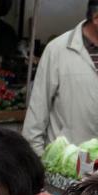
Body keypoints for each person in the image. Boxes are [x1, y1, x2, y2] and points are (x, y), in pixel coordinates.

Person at [22, 0, 98, 155]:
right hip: (66, 167)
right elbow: (36, 118)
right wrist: (39, 165)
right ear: (96, 18)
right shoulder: (57, 50)